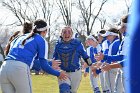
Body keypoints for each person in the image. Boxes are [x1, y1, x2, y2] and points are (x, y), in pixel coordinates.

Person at [0, 19, 68, 93]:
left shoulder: (19, 37)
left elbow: (32, 62)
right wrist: (58, 74)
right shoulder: (41, 40)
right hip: (19, 69)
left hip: (4, 68)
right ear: (45, 31)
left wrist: (50, 63)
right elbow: (43, 65)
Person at [53, 26, 94, 93]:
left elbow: (85, 56)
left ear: (72, 34)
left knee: (73, 91)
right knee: (64, 90)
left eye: (69, 32)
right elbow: (54, 60)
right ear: (61, 34)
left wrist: (91, 65)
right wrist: (57, 70)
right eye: (64, 32)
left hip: (76, 72)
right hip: (63, 72)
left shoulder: (78, 44)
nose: (67, 34)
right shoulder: (58, 45)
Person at [95, 15, 129, 93]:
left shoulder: (125, 40)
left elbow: (124, 58)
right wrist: (104, 57)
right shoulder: (124, 39)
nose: (106, 38)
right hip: (122, 69)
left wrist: (107, 61)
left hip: (125, 70)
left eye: (108, 36)